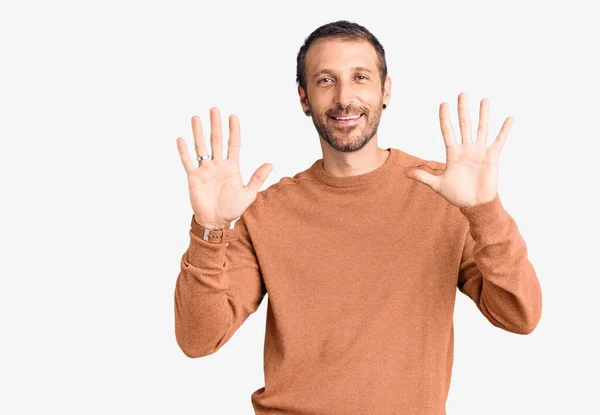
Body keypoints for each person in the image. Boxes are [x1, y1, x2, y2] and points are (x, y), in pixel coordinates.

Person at [174, 20, 542, 415]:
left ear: (385, 90)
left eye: (360, 77)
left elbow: (519, 315)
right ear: (303, 98)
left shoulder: (445, 195)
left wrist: (484, 211)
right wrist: (209, 230)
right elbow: (199, 339)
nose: (344, 97)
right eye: (326, 80)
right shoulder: (266, 212)